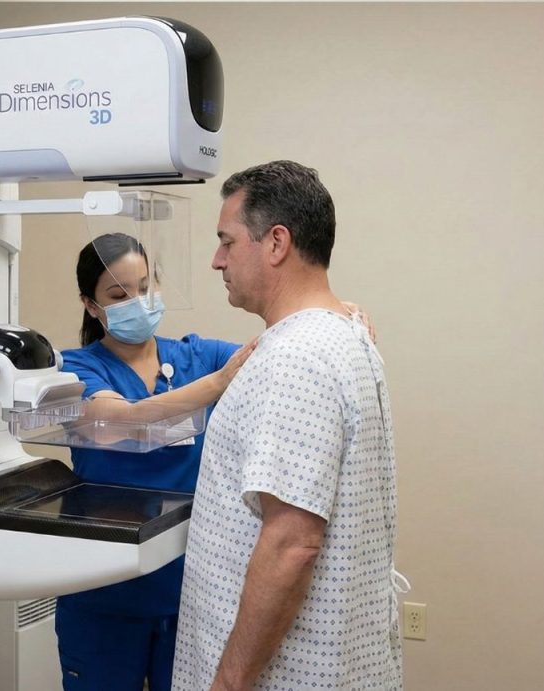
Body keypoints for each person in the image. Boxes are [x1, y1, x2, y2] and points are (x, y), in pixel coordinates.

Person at [55, 231, 375, 691]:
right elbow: (126, 419)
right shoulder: (78, 367)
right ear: (91, 305)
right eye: (118, 295)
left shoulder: (194, 354)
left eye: (146, 286)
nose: (139, 301)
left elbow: (280, 350)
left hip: (189, 592)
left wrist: (338, 316)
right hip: (105, 590)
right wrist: (220, 381)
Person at [171, 160, 405, 691]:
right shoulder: (345, 338)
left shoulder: (295, 359)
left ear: (276, 243)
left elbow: (292, 543)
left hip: (285, 674)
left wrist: (229, 683)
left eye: (227, 242)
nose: (216, 260)